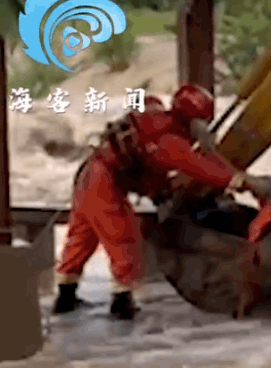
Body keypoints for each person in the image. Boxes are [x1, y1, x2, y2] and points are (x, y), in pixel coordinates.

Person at [53, 84, 247, 320]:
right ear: (192, 119)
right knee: (123, 236)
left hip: (90, 172)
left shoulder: (157, 123)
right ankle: (122, 303)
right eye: (202, 121)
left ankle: (65, 297)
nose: (204, 126)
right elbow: (200, 167)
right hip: (105, 182)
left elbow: (150, 160)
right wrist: (236, 180)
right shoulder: (171, 142)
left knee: (81, 237)